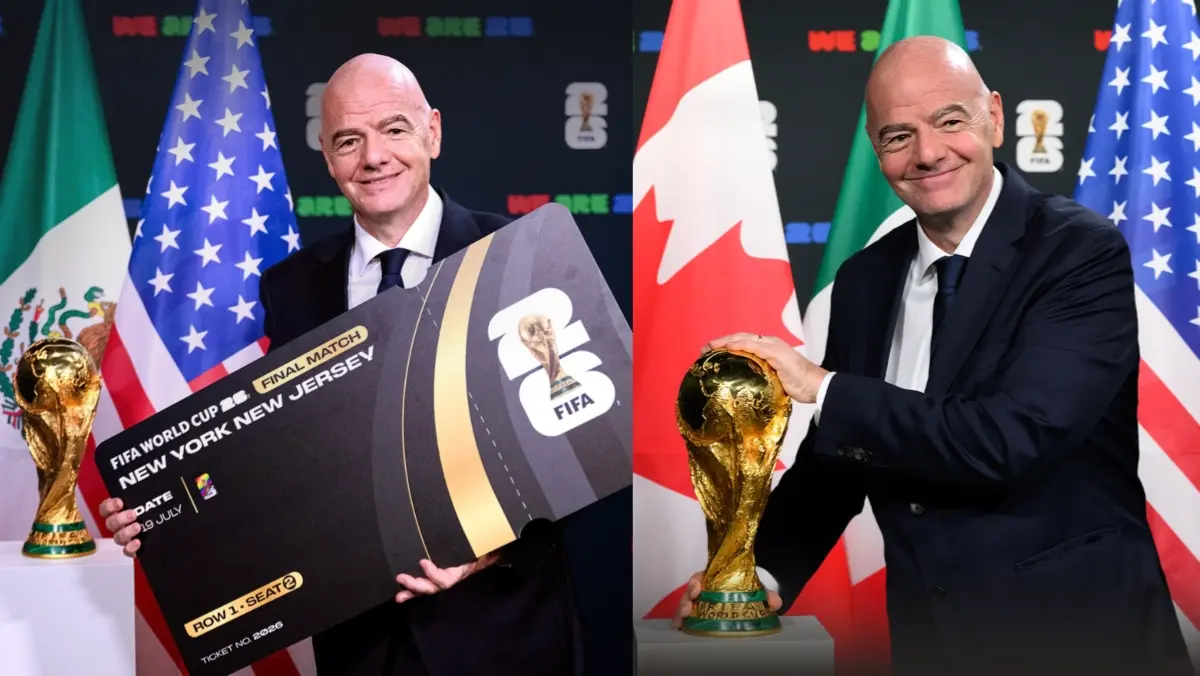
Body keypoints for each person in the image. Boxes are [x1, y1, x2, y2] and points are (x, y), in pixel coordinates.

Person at [675, 37, 1192, 676]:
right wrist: (754, 573)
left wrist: (822, 386)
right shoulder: (865, 279)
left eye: (950, 121)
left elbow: (1010, 438)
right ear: (875, 148)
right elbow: (838, 461)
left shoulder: (1078, 254)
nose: (927, 153)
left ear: (995, 117)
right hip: (930, 640)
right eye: (897, 136)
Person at [99, 54, 583, 676]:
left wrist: (483, 554)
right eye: (349, 140)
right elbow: (276, 460)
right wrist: (161, 516)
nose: (374, 156)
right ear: (328, 158)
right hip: (359, 649)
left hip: (503, 639)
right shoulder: (292, 287)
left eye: (394, 129)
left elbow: (578, 446)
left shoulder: (519, 259)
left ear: (432, 131)